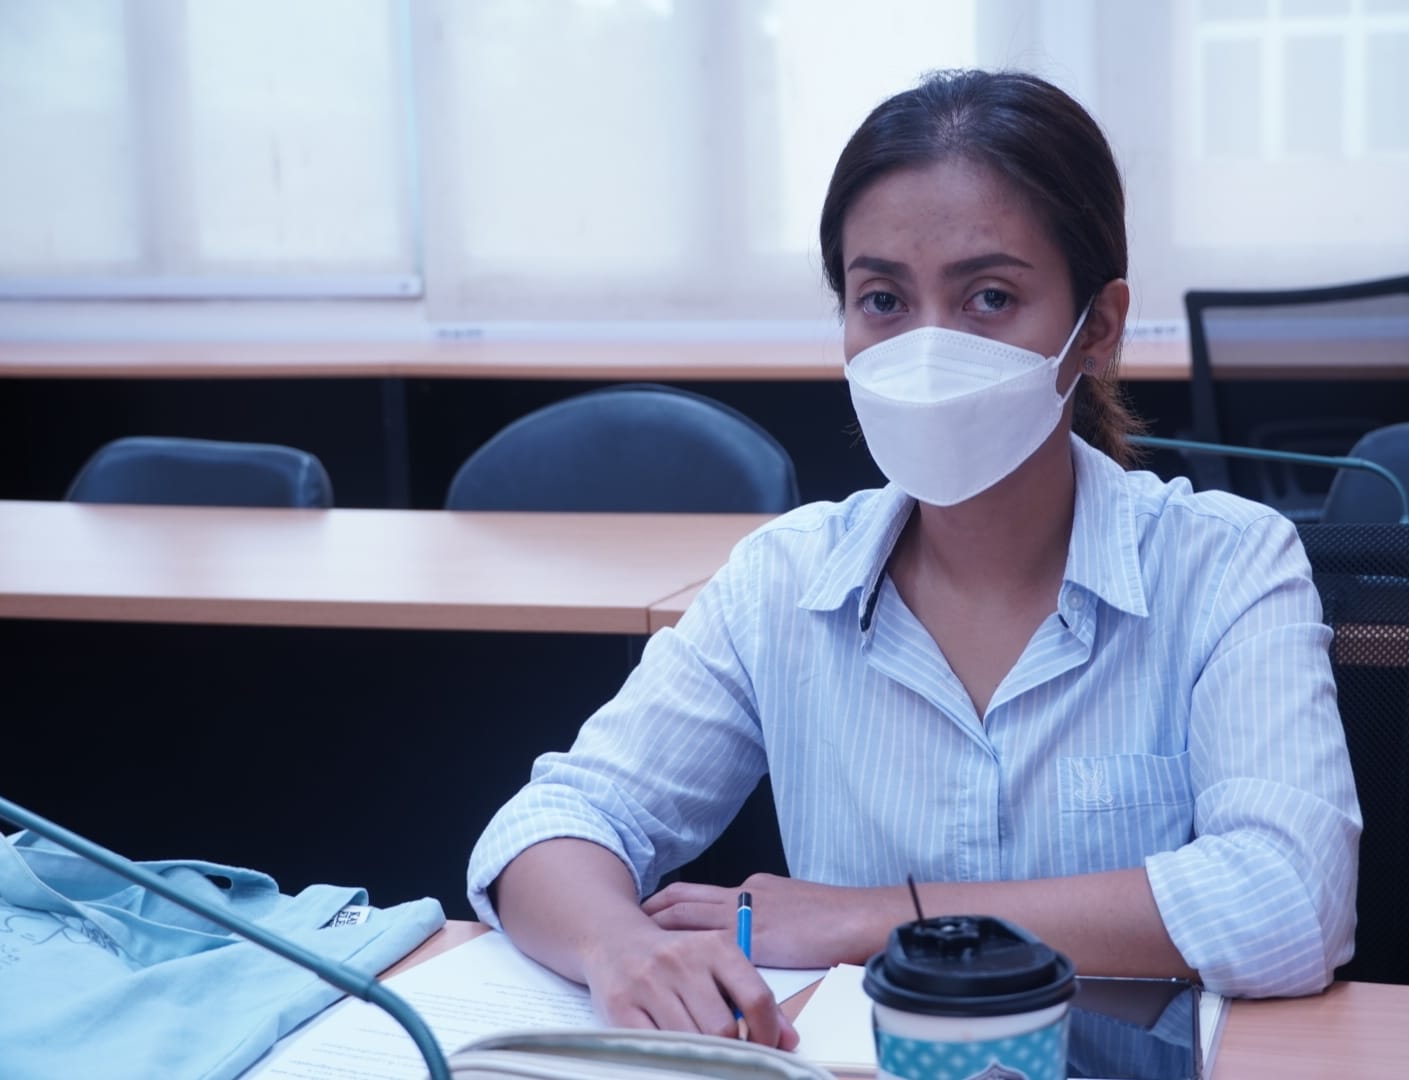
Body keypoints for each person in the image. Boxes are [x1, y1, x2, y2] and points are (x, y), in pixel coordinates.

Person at [468, 69, 1360, 1050]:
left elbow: (1289, 898)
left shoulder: (1226, 566)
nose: (928, 349)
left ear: (1097, 328)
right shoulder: (782, 581)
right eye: (883, 299)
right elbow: (555, 820)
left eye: (989, 297)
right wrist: (618, 948)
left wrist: (873, 916)